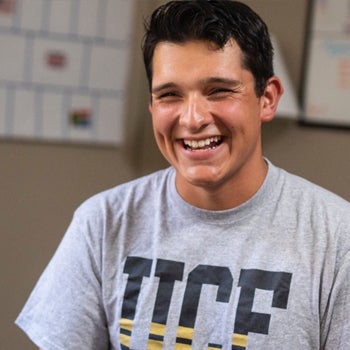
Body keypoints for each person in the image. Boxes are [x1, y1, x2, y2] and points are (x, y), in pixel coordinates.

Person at [16, 1, 350, 349]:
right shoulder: (102, 223)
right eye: (170, 95)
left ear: (266, 98)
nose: (191, 119)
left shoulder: (337, 239)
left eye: (218, 90)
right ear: (151, 105)